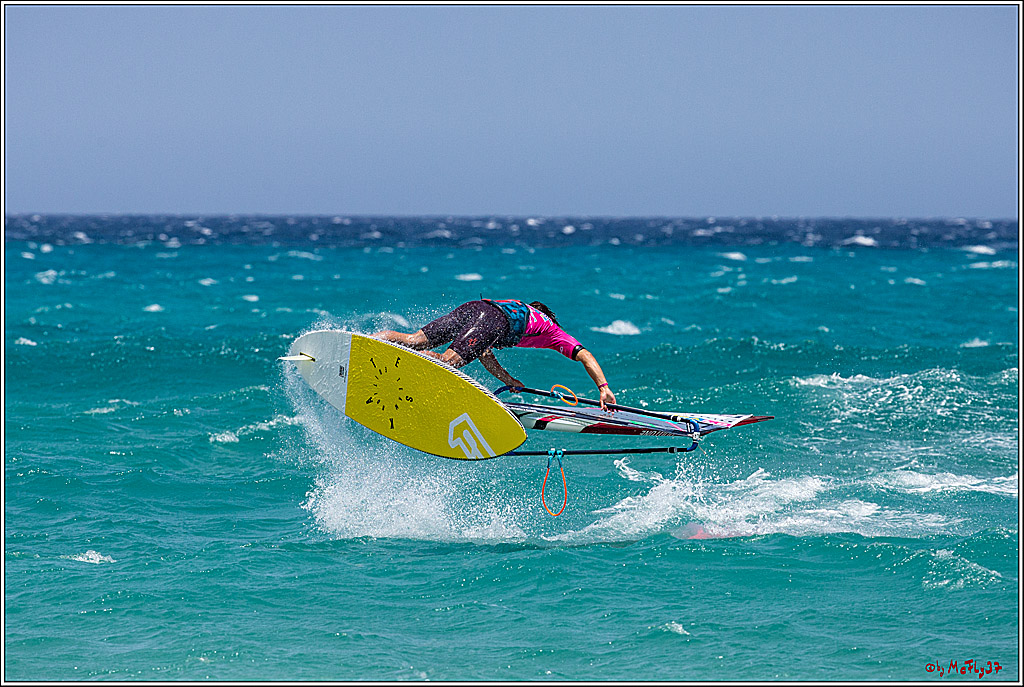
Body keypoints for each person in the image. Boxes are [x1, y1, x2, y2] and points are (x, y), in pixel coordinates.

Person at [373, 299, 618, 410]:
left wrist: (508, 381)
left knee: (412, 340)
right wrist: (603, 387)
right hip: (491, 319)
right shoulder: (553, 332)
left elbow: (482, 351)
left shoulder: (520, 311)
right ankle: (410, 363)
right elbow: (585, 354)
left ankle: (372, 341)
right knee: (448, 362)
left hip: (475, 307)